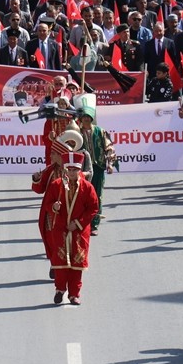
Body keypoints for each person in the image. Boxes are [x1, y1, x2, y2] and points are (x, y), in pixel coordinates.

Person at [38, 151, 99, 305]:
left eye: (75, 170)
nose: (72, 173)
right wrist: (54, 207)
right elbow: (47, 204)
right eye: (69, 170)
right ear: (65, 169)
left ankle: (74, 294)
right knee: (60, 261)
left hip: (79, 231)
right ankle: (60, 289)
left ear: (79, 170)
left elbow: (93, 208)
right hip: (60, 228)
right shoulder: (56, 185)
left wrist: (78, 223)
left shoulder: (87, 187)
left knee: (77, 263)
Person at [75, 94, 114, 233]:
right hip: (81, 169)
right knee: (81, 196)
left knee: (97, 195)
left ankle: (94, 223)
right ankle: (82, 223)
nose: (86, 118)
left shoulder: (100, 131)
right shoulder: (76, 132)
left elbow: (109, 147)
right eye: (84, 116)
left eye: (88, 116)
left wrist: (110, 163)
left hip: (98, 168)